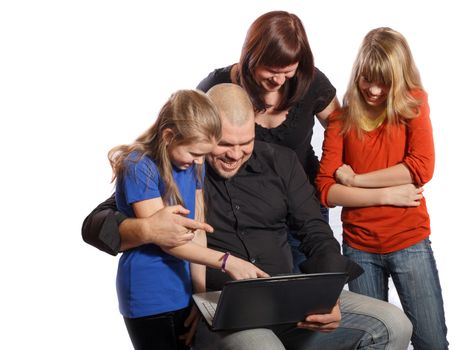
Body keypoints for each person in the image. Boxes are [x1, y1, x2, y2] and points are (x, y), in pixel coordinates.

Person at [83, 83, 413, 350]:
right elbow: (96, 223)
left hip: (289, 299)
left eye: (246, 143)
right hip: (225, 308)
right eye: (224, 144)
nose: (236, 153)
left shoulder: (281, 163)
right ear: (208, 133)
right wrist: (145, 229)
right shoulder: (179, 167)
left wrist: (327, 295)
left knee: (394, 325)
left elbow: (315, 231)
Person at [316, 28, 448, 349]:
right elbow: (326, 190)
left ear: (399, 78)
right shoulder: (342, 120)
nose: (374, 90)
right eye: (366, 79)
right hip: (360, 247)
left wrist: (357, 179)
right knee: (371, 340)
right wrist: (385, 194)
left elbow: (421, 167)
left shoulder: (414, 104)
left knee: (431, 341)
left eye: (384, 82)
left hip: (409, 242)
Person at [108, 89, 266, 350]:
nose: (200, 161)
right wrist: (227, 261)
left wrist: (200, 296)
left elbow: (199, 232)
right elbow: (166, 239)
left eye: (204, 154)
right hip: (149, 293)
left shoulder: (195, 165)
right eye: (194, 154)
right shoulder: (139, 166)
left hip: (181, 289)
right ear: (169, 136)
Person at [197, 10, 339, 271]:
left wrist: (335, 178)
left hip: (304, 202)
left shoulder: (311, 82)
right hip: (249, 208)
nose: (278, 80)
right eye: (271, 71)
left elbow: (340, 130)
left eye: (288, 71)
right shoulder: (216, 86)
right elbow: (188, 139)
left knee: (310, 288)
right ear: (251, 57)